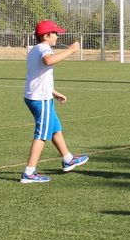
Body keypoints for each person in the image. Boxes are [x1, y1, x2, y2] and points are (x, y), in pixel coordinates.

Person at [20, 19, 90, 184]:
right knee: (42, 134)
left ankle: (68, 159)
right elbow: (49, 61)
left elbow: (37, 76)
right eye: (55, 33)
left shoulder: (35, 49)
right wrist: (71, 50)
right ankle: (29, 173)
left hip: (39, 95)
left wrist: (54, 92)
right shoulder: (44, 48)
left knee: (54, 128)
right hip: (40, 99)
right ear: (46, 35)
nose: (57, 36)